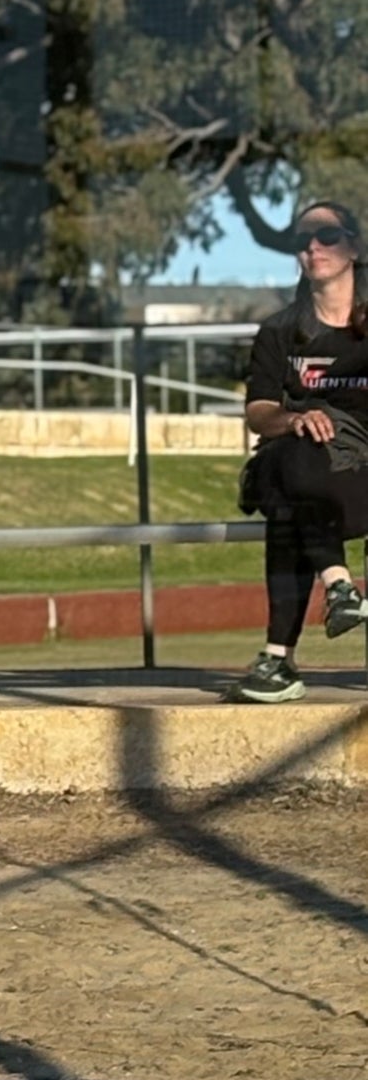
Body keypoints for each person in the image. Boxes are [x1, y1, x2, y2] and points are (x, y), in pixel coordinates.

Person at [227, 201, 368, 704]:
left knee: (283, 489)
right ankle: (338, 588)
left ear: (353, 247)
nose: (313, 247)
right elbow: (259, 410)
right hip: (306, 469)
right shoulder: (280, 330)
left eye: (327, 236)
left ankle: (279, 660)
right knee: (290, 458)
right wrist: (293, 419)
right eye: (302, 240)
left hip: (361, 471)